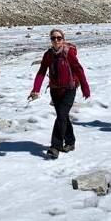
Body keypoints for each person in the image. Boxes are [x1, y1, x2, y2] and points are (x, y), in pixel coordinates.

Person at [29, 29, 91, 159]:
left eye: (58, 38)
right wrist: (36, 89)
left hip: (69, 89)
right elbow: (41, 72)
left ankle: (55, 146)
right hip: (55, 90)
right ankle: (70, 141)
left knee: (61, 116)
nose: (56, 40)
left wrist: (85, 88)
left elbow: (78, 70)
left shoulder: (69, 53)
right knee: (63, 116)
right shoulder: (48, 55)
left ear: (63, 39)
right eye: (53, 38)